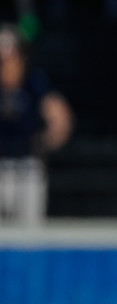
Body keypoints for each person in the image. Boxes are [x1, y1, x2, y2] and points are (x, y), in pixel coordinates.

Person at [0, 24, 73, 225]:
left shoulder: (34, 82)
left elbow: (58, 114)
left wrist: (47, 141)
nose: (7, 65)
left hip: (27, 166)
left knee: (30, 225)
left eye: (11, 58)